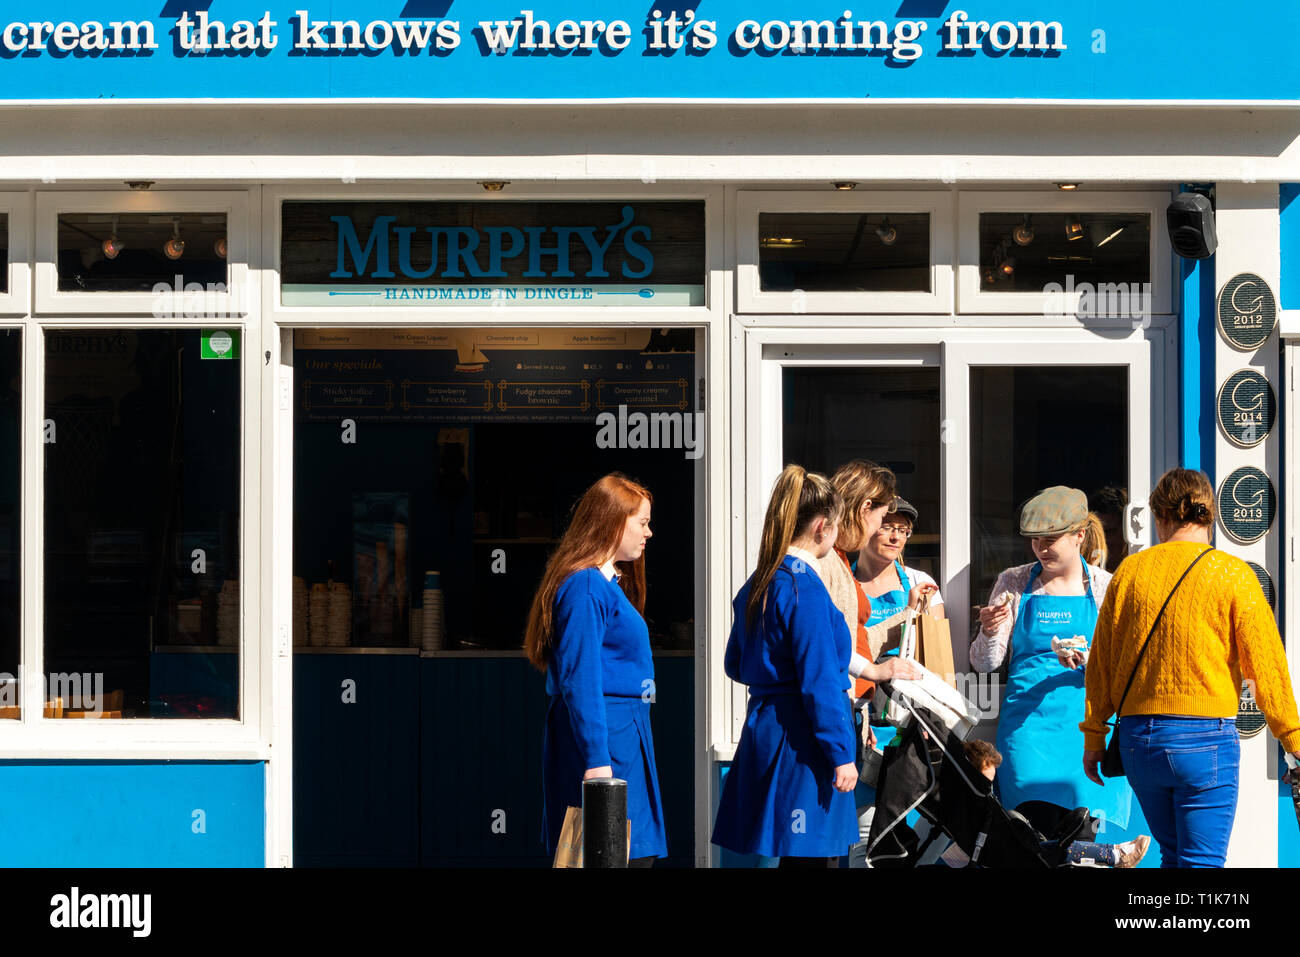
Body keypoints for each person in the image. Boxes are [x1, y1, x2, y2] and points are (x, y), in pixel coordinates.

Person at [1082, 467, 1300, 868]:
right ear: (1210, 516)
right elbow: (1266, 669)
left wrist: (1095, 737)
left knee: (1174, 855)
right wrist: (1293, 740)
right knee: (1201, 861)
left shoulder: (1129, 572)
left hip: (1138, 741)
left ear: (1160, 516)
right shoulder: (1233, 575)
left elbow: (1101, 666)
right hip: (1205, 741)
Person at [712, 464, 860, 867]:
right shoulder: (804, 587)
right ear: (822, 526)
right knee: (816, 858)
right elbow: (820, 680)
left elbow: (735, 664)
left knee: (794, 856)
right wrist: (840, 751)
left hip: (766, 726)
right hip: (804, 737)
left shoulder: (759, 581)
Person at [971, 486, 1132, 830]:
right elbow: (985, 663)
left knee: (1086, 848)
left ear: (1079, 535)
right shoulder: (1013, 582)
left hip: (1089, 733)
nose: (1041, 548)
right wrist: (987, 631)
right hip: (1028, 734)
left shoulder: (1106, 587)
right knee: (1032, 842)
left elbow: (1125, 665)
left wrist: (1091, 659)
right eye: (1035, 540)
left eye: (1050, 539)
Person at [526, 473, 666, 866]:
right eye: (642, 522)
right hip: (607, 741)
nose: (649, 532)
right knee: (610, 856)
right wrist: (596, 760)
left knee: (626, 855)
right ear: (612, 520)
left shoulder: (600, 584)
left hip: (620, 737)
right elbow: (580, 679)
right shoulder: (586, 587)